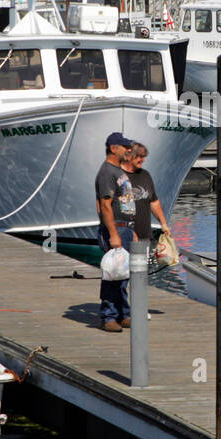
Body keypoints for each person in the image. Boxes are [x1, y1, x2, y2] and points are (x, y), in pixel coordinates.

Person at [95, 132, 135, 332]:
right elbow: (105, 204)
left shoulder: (118, 171)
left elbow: (125, 203)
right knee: (112, 274)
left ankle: (123, 314)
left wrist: (132, 229)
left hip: (125, 228)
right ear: (113, 148)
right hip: (115, 229)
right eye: (124, 147)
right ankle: (108, 316)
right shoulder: (107, 172)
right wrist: (113, 233)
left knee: (123, 274)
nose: (128, 150)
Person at [123, 142, 171, 243]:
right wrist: (129, 232)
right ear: (129, 156)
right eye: (140, 157)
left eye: (144, 157)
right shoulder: (117, 175)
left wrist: (163, 224)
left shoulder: (145, 175)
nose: (143, 160)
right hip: (124, 237)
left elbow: (153, 201)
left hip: (145, 236)